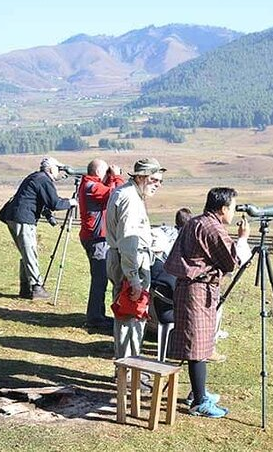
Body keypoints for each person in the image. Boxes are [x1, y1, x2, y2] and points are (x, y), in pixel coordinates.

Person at [164, 187, 250, 419]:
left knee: (199, 343)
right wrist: (242, 239)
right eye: (232, 207)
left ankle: (198, 392)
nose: (234, 213)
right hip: (197, 291)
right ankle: (199, 402)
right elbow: (232, 261)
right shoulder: (212, 227)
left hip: (193, 289)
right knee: (197, 346)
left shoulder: (197, 222)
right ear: (223, 209)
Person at [105, 157, 166, 359]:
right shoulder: (130, 199)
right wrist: (134, 280)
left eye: (160, 181)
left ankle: (128, 366)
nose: (158, 185)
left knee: (129, 316)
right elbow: (129, 242)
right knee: (131, 316)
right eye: (154, 180)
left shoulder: (129, 194)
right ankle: (129, 370)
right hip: (131, 263)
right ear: (141, 177)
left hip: (127, 260)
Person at [0, 156, 77, 300]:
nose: (59, 172)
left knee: (26, 252)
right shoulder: (44, 180)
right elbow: (54, 203)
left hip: (14, 217)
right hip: (23, 219)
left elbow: (39, 200)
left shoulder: (35, 177)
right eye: (58, 169)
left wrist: (48, 216)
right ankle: (36, 287)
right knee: (30, 252)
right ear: (51, 169)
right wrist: (71, 202)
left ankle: (26, 288)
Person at [78, 158, 124, 329]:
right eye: (106, 172)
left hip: (93, 237)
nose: (108, 175)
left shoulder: (90, 185)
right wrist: (117, 177)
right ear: (98, 172)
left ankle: (97, 315)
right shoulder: (92, 186)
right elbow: (117, 195)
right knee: (99, 279)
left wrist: (111, 178)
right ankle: (95, 318)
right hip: (97, 240)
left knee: (100, 278)